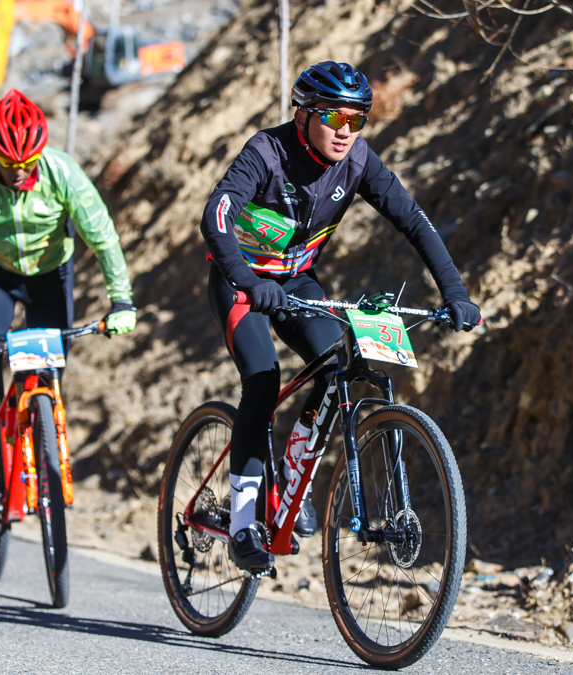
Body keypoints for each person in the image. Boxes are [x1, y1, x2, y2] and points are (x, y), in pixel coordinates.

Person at [199, 62, 482, 571]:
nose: (346, 131)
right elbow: (216, 215)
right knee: (263, 379)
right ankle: (243, 522)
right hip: (242, 281)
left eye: (357, 120)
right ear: (304, 115)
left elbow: (413, 220)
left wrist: (455, 291)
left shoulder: (358, 160)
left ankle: (290, 474)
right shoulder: (267, 151)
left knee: (335, 364)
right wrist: (247, 279)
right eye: (335, 118)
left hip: (298, 283)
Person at [0, 89, 136, 509]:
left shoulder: (63, 173)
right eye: (8, 163)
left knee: (47, 369)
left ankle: (40, 446)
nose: (19, 171)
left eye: (26, 163)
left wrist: (121, 300)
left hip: (50, 276)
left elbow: (103, 238)